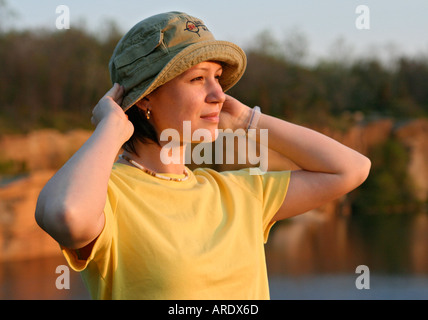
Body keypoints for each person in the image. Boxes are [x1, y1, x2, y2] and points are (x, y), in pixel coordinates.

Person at [35, 12, 370, 300]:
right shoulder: (108, 195)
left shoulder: (240, 193)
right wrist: (110, 127)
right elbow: (66, 215)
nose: (219, 95)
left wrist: (247, 120)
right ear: (145, 99)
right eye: (198, 79)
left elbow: (351, 169)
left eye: (218, 78)